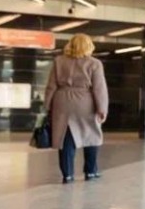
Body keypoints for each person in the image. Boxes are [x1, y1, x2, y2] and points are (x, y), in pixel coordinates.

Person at [45, 34, 109, 183]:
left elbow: (51, 86)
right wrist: (102, 108)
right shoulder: (94, 63)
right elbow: (99, 88)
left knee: (65, 139)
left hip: (61, 102)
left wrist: (47, 105)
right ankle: (90, 171)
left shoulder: (59, 61)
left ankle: (67, 175)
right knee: (92, 136)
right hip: (85, 102)